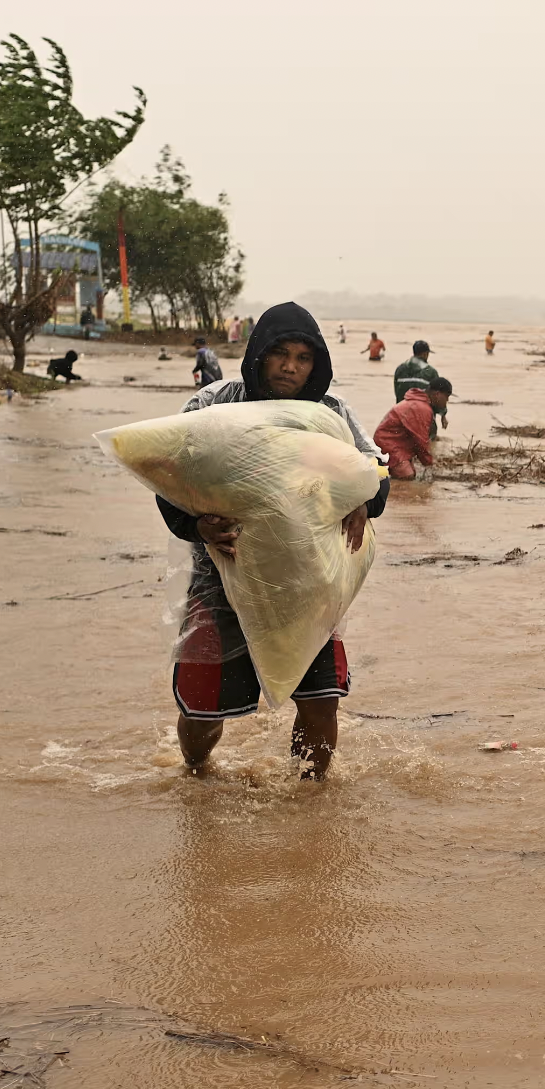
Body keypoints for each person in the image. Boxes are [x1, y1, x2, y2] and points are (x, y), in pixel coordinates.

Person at [157, 302, 390, 781]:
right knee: (203, 711)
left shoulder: (331, 412)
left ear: (317, 364)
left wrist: (364, 495)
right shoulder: (212, 405)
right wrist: (196, 526)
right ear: (258, 354)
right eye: (280, 354)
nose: (290, 367)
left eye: (304, 358)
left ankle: (310, 805)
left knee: (321, 700)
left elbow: (377, 471)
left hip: (308, 582)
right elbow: (167, 476)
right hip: (221, 579)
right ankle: (195, 780)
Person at [374, 375, 452, 481]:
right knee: (407, 476)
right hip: (388, 443)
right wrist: (429, 463)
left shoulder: (420, 403)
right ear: (437, 394)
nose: (446, 401)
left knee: (411, 473)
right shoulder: (421, 408)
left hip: (394, 442)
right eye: (446, 397)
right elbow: (421, 441)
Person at [393, 340, 443, 436]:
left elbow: (397, 392)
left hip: (401, 415)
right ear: (425, 354)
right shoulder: (431, 372)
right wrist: (442, 413)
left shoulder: (399, 369)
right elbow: (438, 397)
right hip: (423, 419)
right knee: (427, 445)